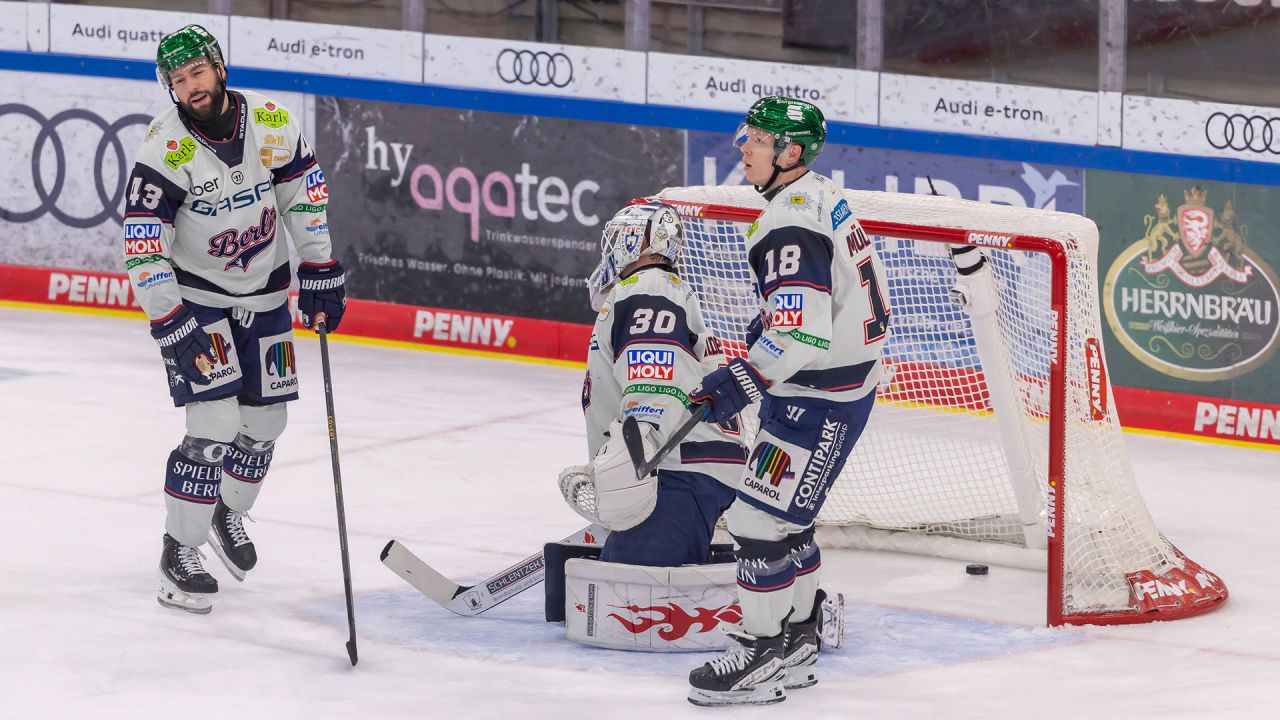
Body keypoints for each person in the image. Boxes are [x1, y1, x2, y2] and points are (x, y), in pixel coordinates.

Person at [123, 25, 346, 614]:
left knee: (266, 422)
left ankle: (226, 512)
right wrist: (170, 318)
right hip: (197, 300)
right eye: (177, 80)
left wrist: (321, 268)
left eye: (196, 72)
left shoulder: (273, 124)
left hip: (266, 297)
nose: (189, 86)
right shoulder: (164, 149)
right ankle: (179, 548)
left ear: (218, 68)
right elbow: (143, 246)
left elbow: (303, 198)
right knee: (215, 422)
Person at [685, 97, 889, 706]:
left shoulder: (789, 221)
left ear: (790, 153)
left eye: (754, 139)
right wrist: (762, 336)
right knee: (788, 518)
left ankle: (760, 650)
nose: (741, 147)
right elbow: (812, 305)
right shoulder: (815, 195)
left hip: (819, 397)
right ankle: (797, 640)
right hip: (828, 386)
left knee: (758, 520)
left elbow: (801, 332)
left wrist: (743, 377)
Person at [558, 202, 746, 569]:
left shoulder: (645, 288)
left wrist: (628, 462)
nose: (611, 247)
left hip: (673, 471)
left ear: (641, 242)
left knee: (629, 602)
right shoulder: (654, 290)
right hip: (683, 466)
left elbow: (658, 385)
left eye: (619, 237)